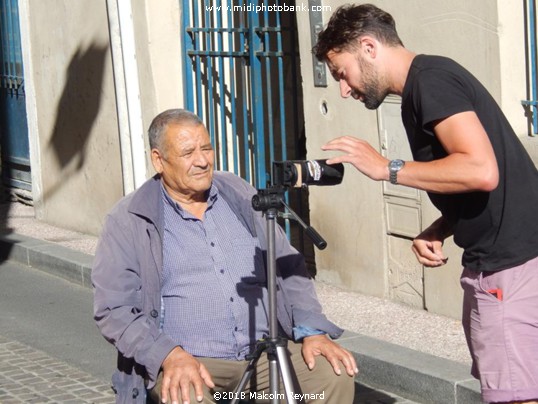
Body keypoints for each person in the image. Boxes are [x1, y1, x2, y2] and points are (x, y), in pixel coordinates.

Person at [313, 3, 538, 404]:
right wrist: (442, 226)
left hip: (508, 267)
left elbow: (482, 170)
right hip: (513, 262)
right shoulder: (428, 81)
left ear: (367, 46)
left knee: (515, 397)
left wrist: (387, 168)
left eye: (341, 74)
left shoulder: (430, 81)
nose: (344, 90)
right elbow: (478, 179)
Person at [92, 108, 357, 404]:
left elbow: (289, 265)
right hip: (191, 362)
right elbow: (114, 309)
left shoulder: (237, 192)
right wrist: (167, 354)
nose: (203, 161)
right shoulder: (129, 219)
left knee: (331, 376)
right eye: (188, 152)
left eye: (206, 148)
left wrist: (312, 330)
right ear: (159, 159)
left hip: (264, 354)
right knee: (185, 397)